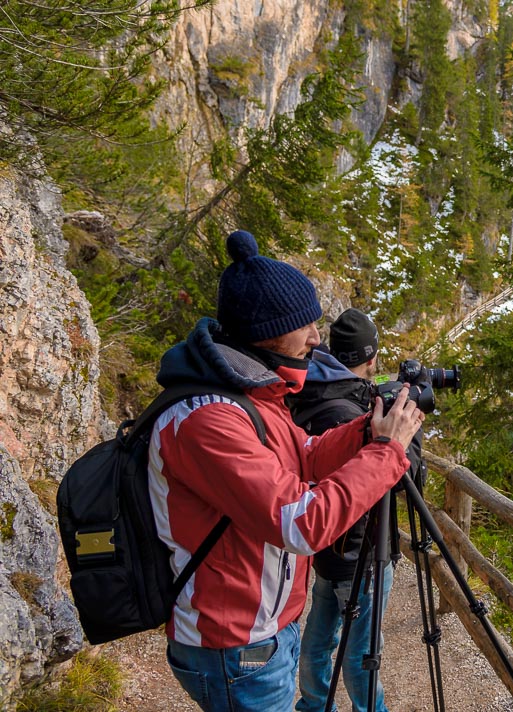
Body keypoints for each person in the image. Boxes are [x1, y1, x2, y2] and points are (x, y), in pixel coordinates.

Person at [148, 230, 423, 712]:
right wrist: (386, 452)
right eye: (307, 325)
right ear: (267, 332)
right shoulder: (209, 418)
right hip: (234, 646)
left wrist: (365, 430)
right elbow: (300, 523)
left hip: (263, 635)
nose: (317, 338)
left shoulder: (250, 393)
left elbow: (309, 455)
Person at [290, 308, 406, 712]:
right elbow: (394, 482)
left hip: (330, 549)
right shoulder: (348, 412)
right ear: (371, 357)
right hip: (361, 552)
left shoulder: (311, 392)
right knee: (362, 653)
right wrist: (404, 442)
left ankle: (314, 705)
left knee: (320, 638)